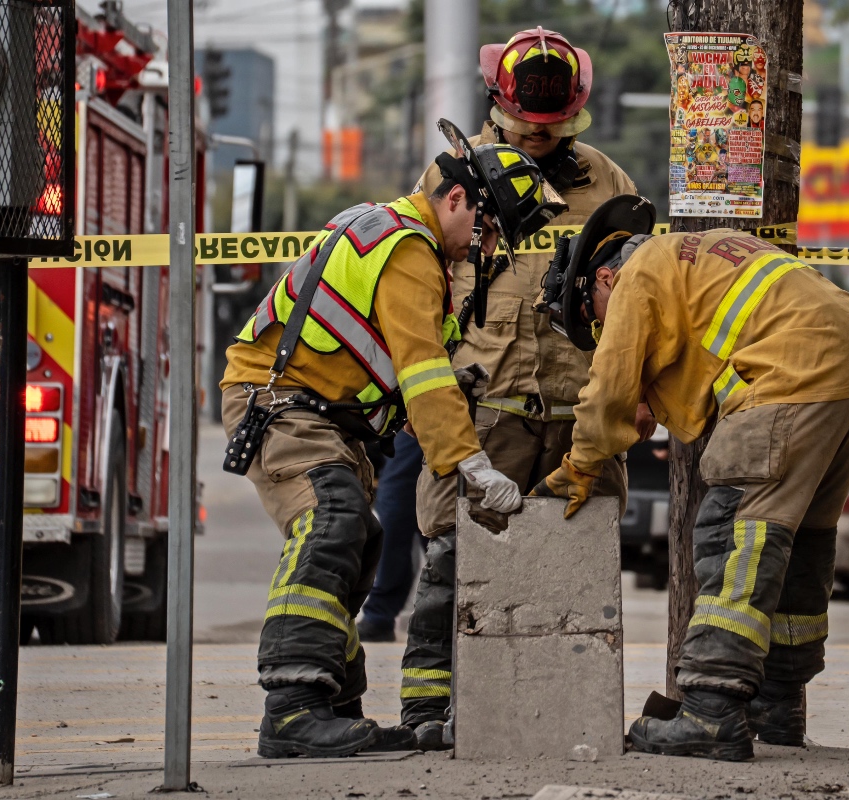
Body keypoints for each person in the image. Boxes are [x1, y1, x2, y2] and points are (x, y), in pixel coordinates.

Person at [219, 131, 564, 758]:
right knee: (332, 521)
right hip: (284, 403)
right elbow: (423, 370)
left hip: (325, 411)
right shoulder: (408, 250)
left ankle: (334, 706)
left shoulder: (402, 238)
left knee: (360, 538)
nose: (482, 248)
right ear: (458, 198)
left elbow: (400, 371)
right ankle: (293, 709)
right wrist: (469, 462)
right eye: (486, 230)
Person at [533, 196, 849, 761]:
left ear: (602, 277)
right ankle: (777, 704)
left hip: (792, 372)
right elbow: (690, 344)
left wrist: (579, 467)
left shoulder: (634, 274)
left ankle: (711, 711)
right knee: (796, 541)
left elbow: (604, 392)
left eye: (595, 317)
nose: (602, 326)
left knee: (731, 530)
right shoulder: (690, 255)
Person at [397, 26, 645, 752]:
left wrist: (640, 391)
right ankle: (427, 710)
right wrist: (421, 401)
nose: (539, 138)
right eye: (525, 125)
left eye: (554, 126)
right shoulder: (451, 177)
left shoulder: (606, 181)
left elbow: (636, 299)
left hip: (579, 413)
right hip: (487, 411)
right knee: (449, 561)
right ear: (495, 102)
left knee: (578, 569)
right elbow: (419, 291)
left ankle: (570, 710)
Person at [356, 431, 426, 642]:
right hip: (412, 418)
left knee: (406, 512)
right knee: (398, 514)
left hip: (434, 411)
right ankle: (380, 614)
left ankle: (381, 614)